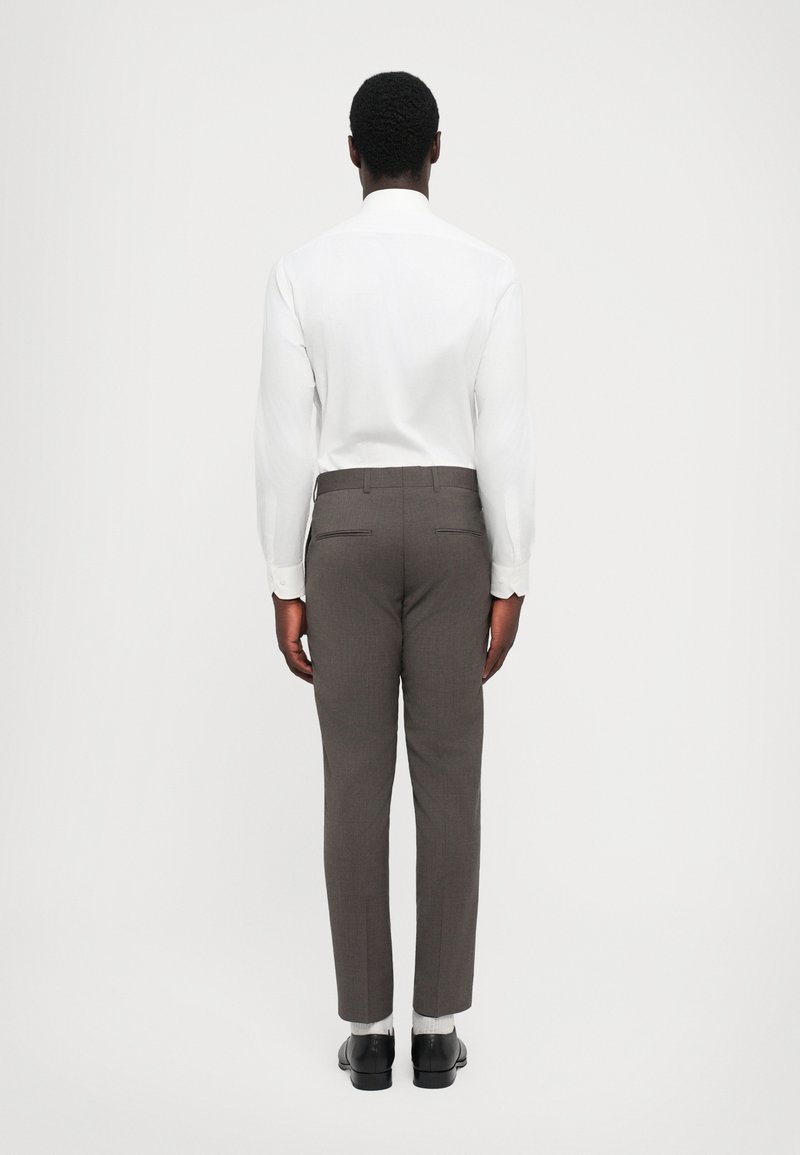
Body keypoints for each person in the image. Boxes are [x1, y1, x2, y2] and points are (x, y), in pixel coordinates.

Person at [254, 70, 536, 1090]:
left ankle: (369, 1034)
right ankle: (438, 1031)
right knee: (450, 780)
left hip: (344, 531)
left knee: (353, 778)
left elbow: (285, 437)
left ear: (351, 153)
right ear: (436, 149)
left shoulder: (302, 272)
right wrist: (511, 571)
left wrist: (284, 574)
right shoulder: (486, 272)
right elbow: (503, 432)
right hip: (456, 530)